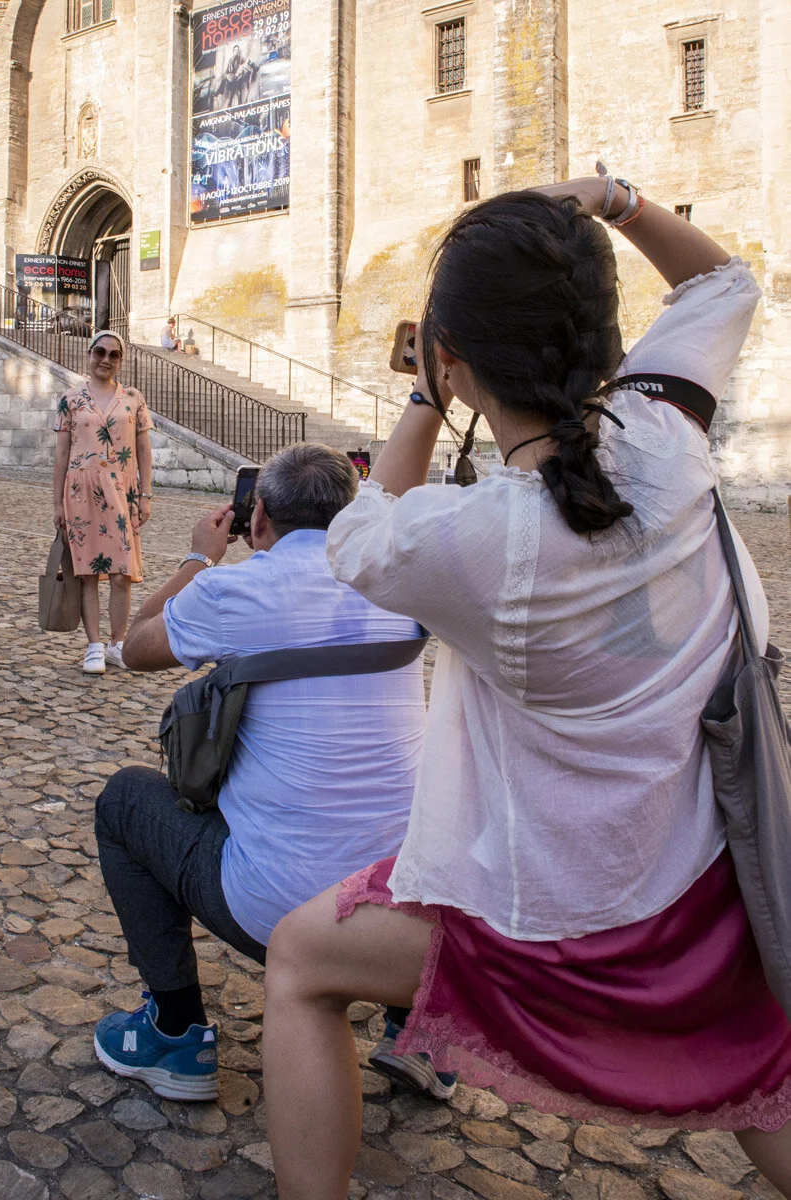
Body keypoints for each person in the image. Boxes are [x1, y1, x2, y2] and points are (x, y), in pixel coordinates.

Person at [259, 179, 791, 1200]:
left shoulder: (470, 543)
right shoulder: (667, 433)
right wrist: (610, 199)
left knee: (299, 960)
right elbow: (723, 282)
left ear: (455, 359)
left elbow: (359, 536)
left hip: (555, 920)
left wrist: (424, 393)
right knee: (763, 1080)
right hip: (704, 894)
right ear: (603, 337)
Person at [91, 443, 431, 1101]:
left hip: (286, 914)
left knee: (126, 800)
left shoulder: (234, 589)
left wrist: (199, 557)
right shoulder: (397, 581)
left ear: (260, 516)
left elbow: (133, 645)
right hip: (406, 923)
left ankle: (174, 1031)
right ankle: (419, 1031)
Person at [52, 330, 153, 674]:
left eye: (113, 354)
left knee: (122, 573)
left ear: (120, 361)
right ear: (89, 354)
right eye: (100, 352)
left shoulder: (134, 398)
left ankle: (117, 644)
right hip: (81, 493)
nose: (106, 359)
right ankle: (94, 645)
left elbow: (143, 450)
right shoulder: (70, 398)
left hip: (123, 494)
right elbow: (61, 454)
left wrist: (146, 495)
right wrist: (56, 504)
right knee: (88, 574)